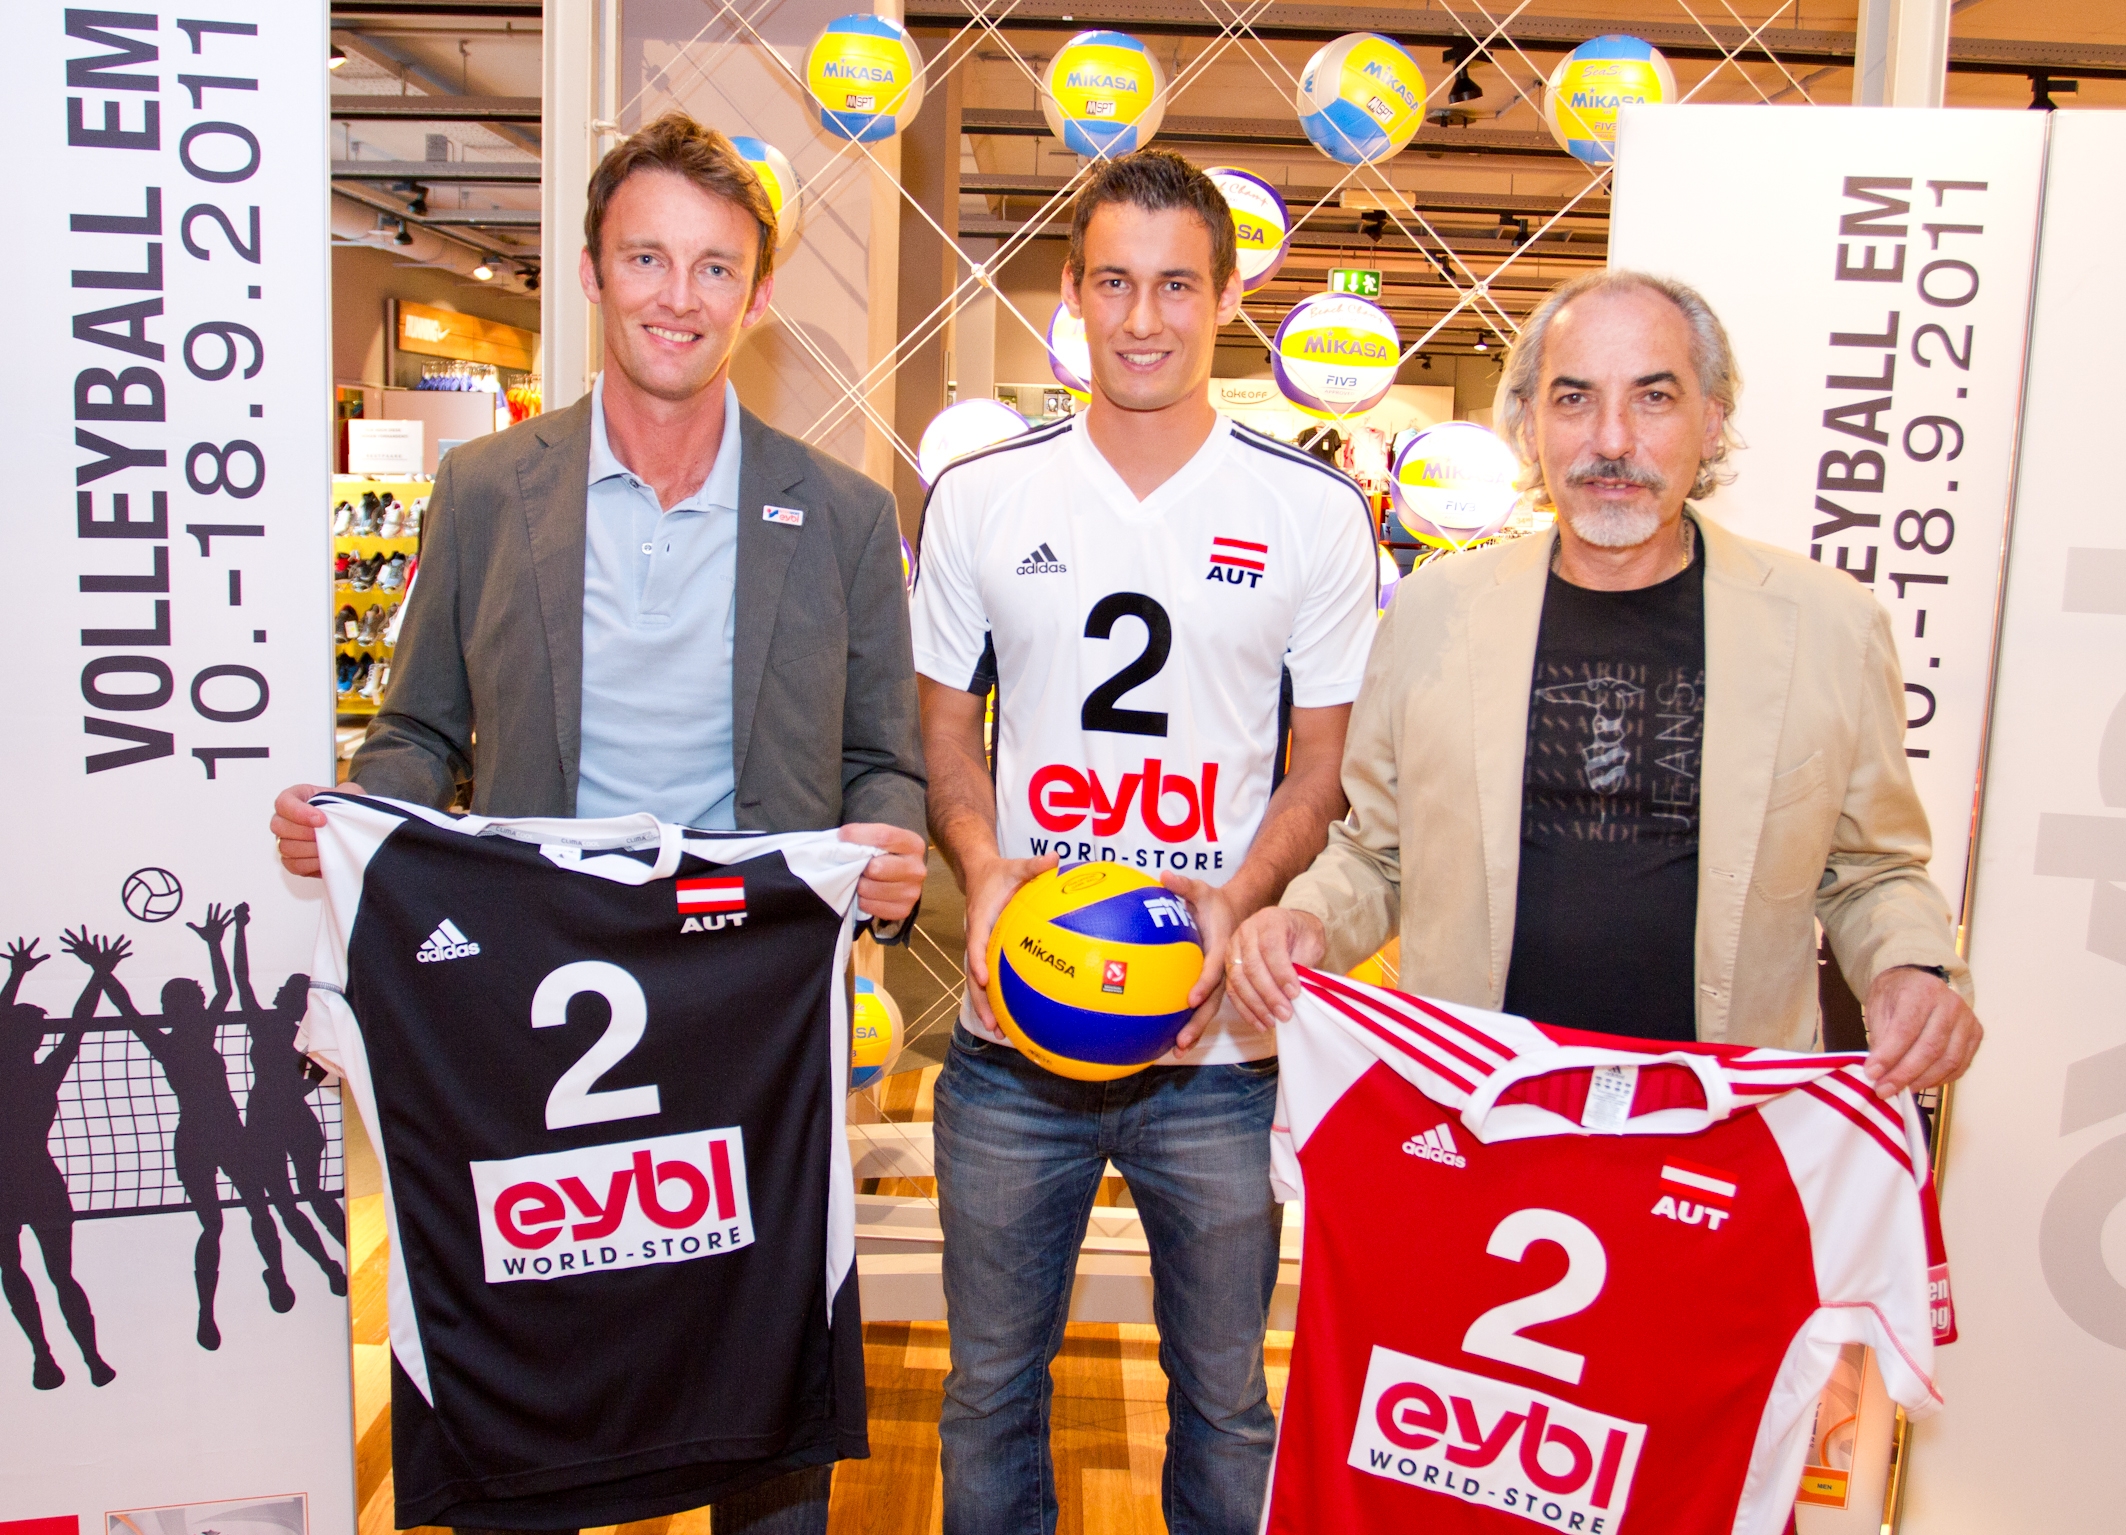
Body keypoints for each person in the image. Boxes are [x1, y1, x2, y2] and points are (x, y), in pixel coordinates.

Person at [269, 112, 929, 1534]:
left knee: (761, 1393)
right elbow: (421, 730)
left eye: (713, 267)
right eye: (646, 258)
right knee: (538, 1355)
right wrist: (357, 823)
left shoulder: (840, 513)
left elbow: (883, 758)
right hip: (532, 1019)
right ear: (588, 271)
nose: (677, 297)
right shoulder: (486, 490)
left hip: (750, 1018)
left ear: (756, 295)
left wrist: (886, 846)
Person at [910, 149, 1378, 1534]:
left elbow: (1322, 770)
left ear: (1227, 297)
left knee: (1224, 1397)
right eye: (1112, 281)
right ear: (1070, 292)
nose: (1142, 317)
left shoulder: (1309, 510)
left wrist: (1239, 897)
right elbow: (944, 736)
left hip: (1214, 1040)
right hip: (1016, 1022)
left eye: (1176, 284)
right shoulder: (982, 496)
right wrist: (982, 869)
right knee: (986, 1389)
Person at [1226, 270, 1982, 1096]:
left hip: (1721, 1120)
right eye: (1575, 398)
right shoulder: (1434, 612)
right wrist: (1308, 919)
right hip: (1478, 1110)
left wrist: (1913, 966)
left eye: (1654, 398)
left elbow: (1872, 868)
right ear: (1529, 424)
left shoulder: (1828, 626)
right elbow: (1378, 852)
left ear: (1712, 420)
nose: (1612, 439)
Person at [91, 908, 347, 1349]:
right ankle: (211, 1311)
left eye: (191, 1000)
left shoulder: (206, 1033)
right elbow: (135, 1009)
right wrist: (103, 973)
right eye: (185, 1002)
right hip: (212, 1134)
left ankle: (299, 1271)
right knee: (233, 1218)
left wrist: (217, 941)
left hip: (234, 1131)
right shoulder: (173, 1041)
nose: (191, 1005)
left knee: (268, 1207)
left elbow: (230, 988)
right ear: (174, 1009)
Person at [0, 936, 117, 1389]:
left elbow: (75, 1027)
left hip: (20, 1180)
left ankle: (54, 1356)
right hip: (36, 1178)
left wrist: (17, 974)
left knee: (29, 1271)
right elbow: (77, 1027)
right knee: (50, 1274)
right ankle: (72, 1358)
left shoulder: (35, 1072)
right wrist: (99, 973)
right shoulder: (42, 1073)